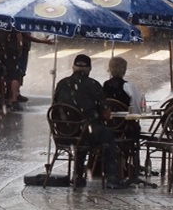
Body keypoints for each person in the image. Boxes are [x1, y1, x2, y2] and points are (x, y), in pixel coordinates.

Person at [53, 54, 127, 189]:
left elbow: (55, 107)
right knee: (108, 136)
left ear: (73, 67)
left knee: (82, 133)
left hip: (64, 134)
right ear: (89, 69)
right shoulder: (93, 85)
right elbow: (106, 114)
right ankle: (112, 179)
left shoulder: (61, 84)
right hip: (85, 133)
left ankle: (78, 176)